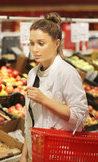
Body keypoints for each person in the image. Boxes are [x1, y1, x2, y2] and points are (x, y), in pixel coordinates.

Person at [20, 12, 88, 162]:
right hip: (37, 153)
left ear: (57, 43)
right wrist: (24, 155)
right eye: (31, 43)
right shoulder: (33, 74)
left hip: (61, 153)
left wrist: (44, 100)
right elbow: (31, 120)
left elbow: (80, 118)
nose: (35, 49)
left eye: (41, 43)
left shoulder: (67, 73)